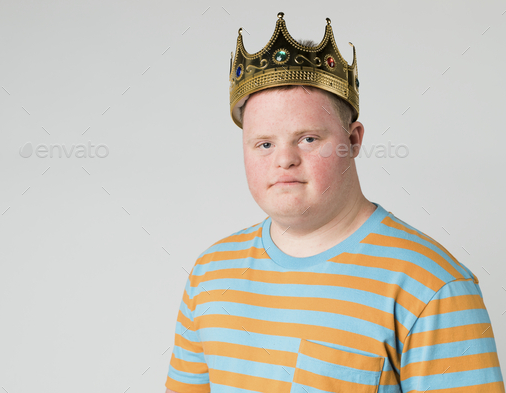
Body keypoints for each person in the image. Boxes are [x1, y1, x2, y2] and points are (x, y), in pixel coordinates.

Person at [165, 12, 504, 393]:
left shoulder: (431, 286)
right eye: (264, 144)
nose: (284, 159)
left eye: (308, 138)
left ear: (353, 140)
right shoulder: (210, 275)